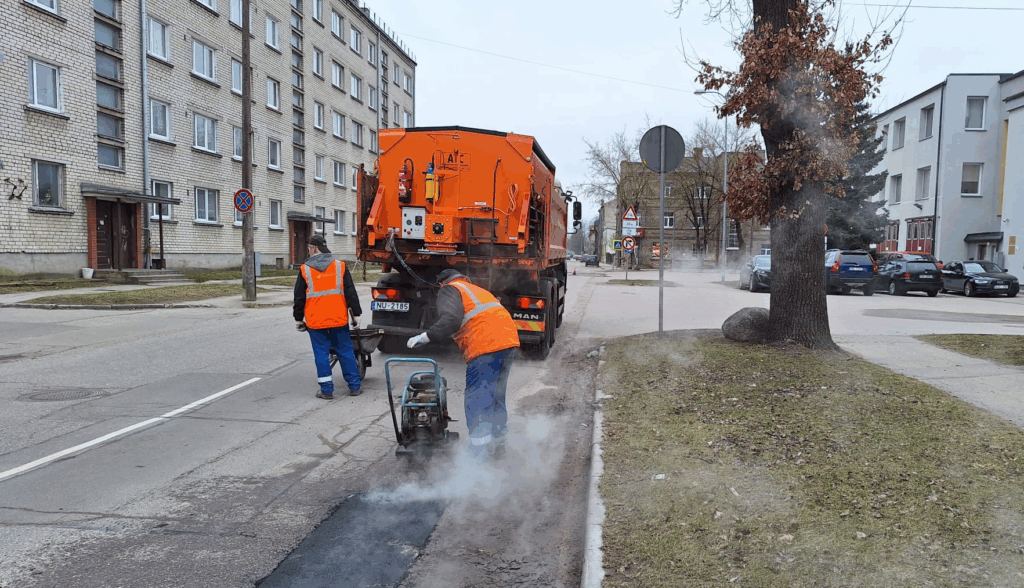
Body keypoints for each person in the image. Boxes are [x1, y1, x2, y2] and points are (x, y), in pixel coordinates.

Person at [406, 269, 519, 457]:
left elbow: (451, 319)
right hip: (508, 342)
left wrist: (426, 336)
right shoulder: (475, 289)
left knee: (478, 397)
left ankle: (479, 452)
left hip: (486, 345)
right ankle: (499, 445)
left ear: (441, 284)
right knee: (496, 394)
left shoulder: (449, 289)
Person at [294, 235, 362, 399]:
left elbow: (299, 298)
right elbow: (350, 293)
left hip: (316, 322)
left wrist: (298, 318)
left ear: (315, 249)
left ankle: (326, 390)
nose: (309, 252)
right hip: (338, 319)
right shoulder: (340, 266)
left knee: (321, 355)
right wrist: (356, 314)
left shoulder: (305, 270)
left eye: (310, 248)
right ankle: (354, 387)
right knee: (346, 352)